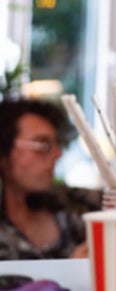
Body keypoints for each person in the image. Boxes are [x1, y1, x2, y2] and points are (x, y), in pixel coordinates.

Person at [0, 98, 101, 259]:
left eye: (57, 144)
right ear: (3, 152)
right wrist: (69, 272)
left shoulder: (74, 203)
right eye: (42, 145)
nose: (57, 154)